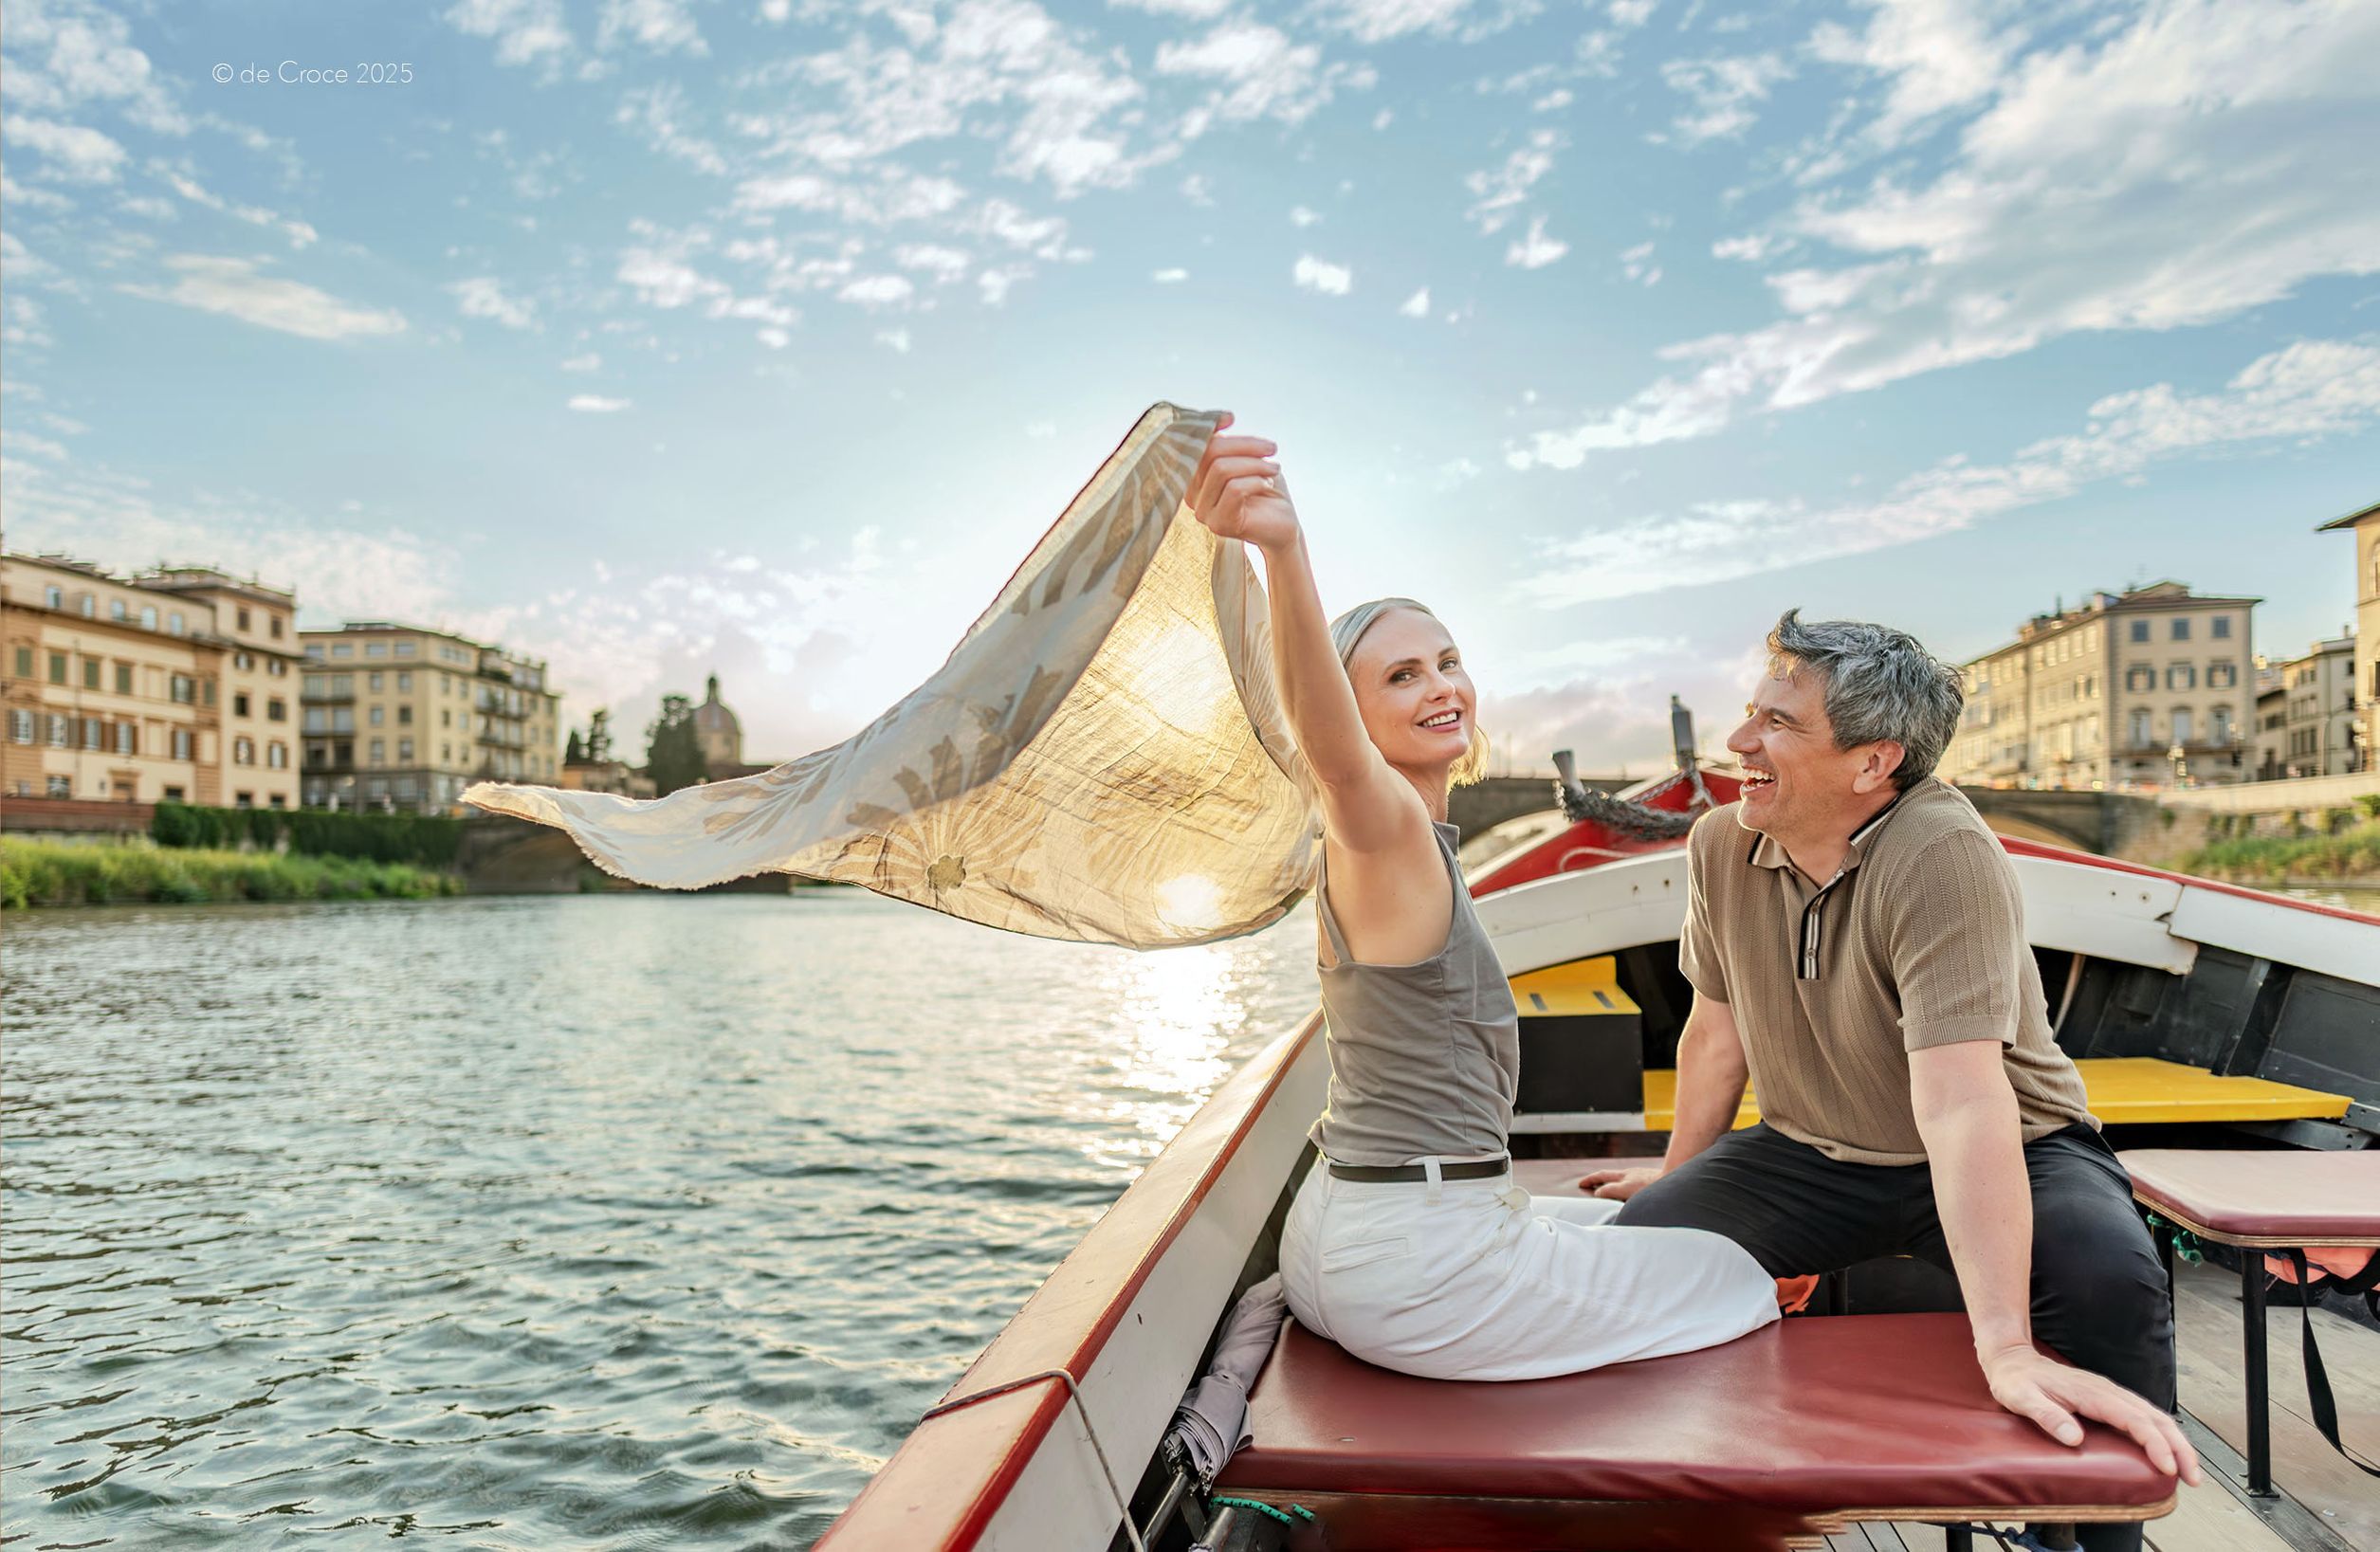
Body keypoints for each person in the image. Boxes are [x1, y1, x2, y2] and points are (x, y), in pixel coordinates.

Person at [1583, 611, 2201, 1548]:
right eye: (1749, 712)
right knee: (1635, 1257)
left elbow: (1961, 1102)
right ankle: (1699, 1501)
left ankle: (2094, 1535)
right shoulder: (1720, 843)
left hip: (2015, 1143)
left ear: (1873, 761)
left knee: (2105, 1279)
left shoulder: (1940, 852)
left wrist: (2002, 1344)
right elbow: (1715, 1028)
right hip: (1811, 1147)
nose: (1739, 741)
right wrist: (1677, 1172)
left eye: (1776, 724)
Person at [1187, 417, 1780, 1380]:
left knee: (1652, 1219)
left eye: (1447, 660)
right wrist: (1282, 553)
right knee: (1743, 1276)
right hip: (1420, 1267)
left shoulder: (1403, 846)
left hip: (1358, 1231)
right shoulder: (1381, 830)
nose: (1441, 686)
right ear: (1348, 709)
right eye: (1399, 675)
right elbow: (1333, 757)